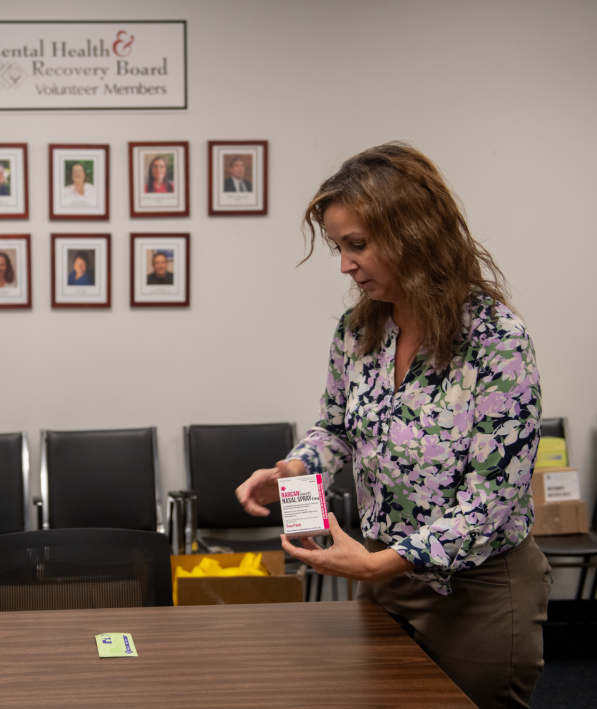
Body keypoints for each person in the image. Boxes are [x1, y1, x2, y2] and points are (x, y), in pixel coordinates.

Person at [235, 142, 550, 709]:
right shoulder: (358, 330)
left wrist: (378, 564)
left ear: (415, 233)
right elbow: (336, 428)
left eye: (357, 245)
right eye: (338, 247)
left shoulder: (496, 340)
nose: (344, 264)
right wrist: (295, 465)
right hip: (383, 573)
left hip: (474, 589)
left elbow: (493, 501)